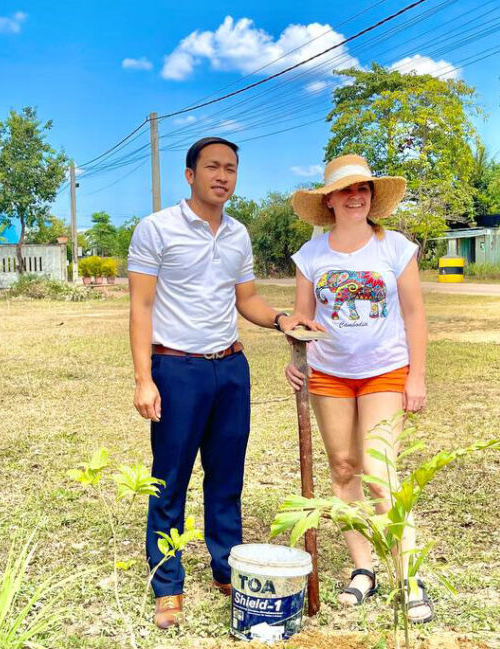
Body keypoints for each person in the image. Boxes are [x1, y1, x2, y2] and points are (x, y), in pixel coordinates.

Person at [127, 136, 321, 630]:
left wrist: (281, 319)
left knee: (227, 476)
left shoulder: (237, 234)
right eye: (212, 167)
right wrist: (144, 379)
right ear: (189, 174)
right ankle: (167, 584)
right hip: (177, 369)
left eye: (230, 168)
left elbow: (246, 299)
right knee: (170, 478)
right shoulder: (156, 229)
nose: (222, 176)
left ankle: (225, 568)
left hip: (231, 368)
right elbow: (141, 307)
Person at [285, 154, 432, 622]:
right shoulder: (311, 256)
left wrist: (417, 376)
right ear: (329, 200)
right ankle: (363, 569)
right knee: (344, 467)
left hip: (385, 371)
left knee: (378, 469)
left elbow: (415, 315)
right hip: (328, 374)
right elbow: (303, 319)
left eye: (362, 188)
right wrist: (294, 355)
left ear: (371, 196)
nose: (355, 196)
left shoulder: (395, 248)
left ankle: (409, 576)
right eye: (345, 189)